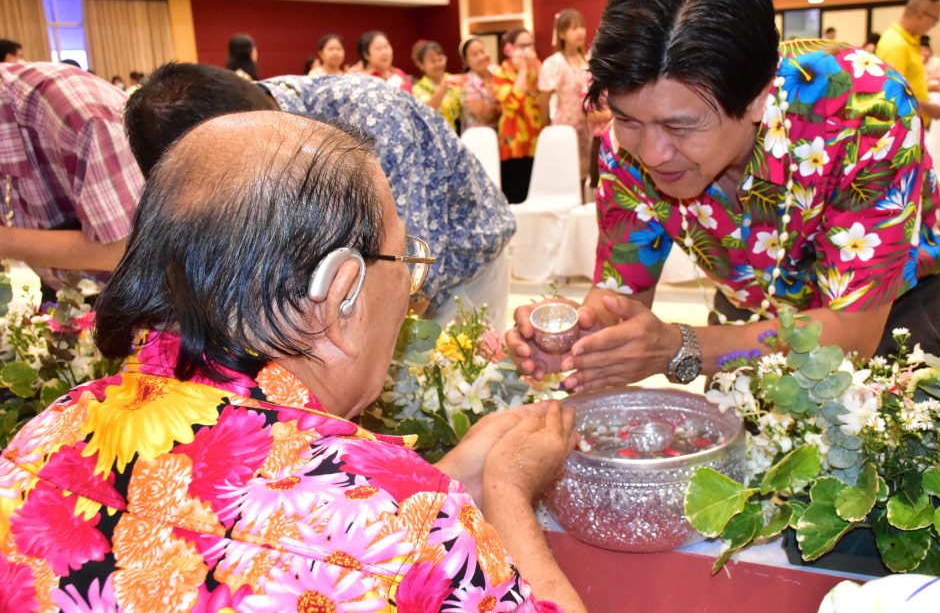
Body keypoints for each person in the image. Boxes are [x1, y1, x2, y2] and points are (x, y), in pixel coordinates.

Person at [0, 110, 586, 613]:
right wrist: (507, 490)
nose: (410, 286)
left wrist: (442, 481)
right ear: (340, 295)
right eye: (404, 258)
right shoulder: (412, 524)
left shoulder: (46, 434)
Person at [506, 0, 940, 391]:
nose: (652, 152)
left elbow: (851, 332)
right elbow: (620, 293)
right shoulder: (624, 146)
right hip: (748, 309)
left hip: (888, 315)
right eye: (628, 119)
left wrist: (680, 346)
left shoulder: (864, 108)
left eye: (680, 126)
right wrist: (572, 337)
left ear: (756, 98)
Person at [124, 62, 515, 327]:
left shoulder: (368, 116)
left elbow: (409, 268)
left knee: (448, 412)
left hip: (457, 268)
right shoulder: (249, 131)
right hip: (357, 288)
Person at [0, 61, 144, 292]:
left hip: (155, 300)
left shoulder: (74, 112)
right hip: (71, 290)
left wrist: (6, 241)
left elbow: (125, 249)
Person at [876, 0, 940, 123]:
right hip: (903, 128)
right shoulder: (896, 44)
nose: (933, 26)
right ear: (920, 15)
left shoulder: (909, 41)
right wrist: (928, 108)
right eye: (935, 20)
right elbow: (891, 95)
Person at [539, 9, 591, 192]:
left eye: (582, 27)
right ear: (561, 33)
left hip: (586, 128)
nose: (580, 32)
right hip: (564, 127)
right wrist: (545, 128)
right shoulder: (554, 62)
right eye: (574, 28)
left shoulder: (585, 61)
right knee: (567, 177)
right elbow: (544, 98)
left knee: (585, 177)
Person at [493, 26, 542, 204]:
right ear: (510, 48)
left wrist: (534, 67)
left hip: (534, 138)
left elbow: (543, 95)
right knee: (515, 193)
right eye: (522, 45)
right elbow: (512, 102)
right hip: (512, 141)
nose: (528, 50)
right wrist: (522, 71)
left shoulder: (536, 67)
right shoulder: (501, 72)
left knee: (535, 191)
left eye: (531, 44)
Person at [411, 39, 462, 131]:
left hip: (456, 133)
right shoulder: (418, 88)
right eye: (433, 61)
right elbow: (426, 111)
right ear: (421, 65)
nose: (438, 64)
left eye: (440, 59)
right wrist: (444, 86)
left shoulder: (452, 79)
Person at [460, 36, 500, 132]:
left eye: (483, 51)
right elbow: (484, 116)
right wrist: (506, 105)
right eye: (475, 55)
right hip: (479, 138)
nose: (481, 57)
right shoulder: (465, 83)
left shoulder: (498, 72)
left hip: (503, 136)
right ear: (466, 61)